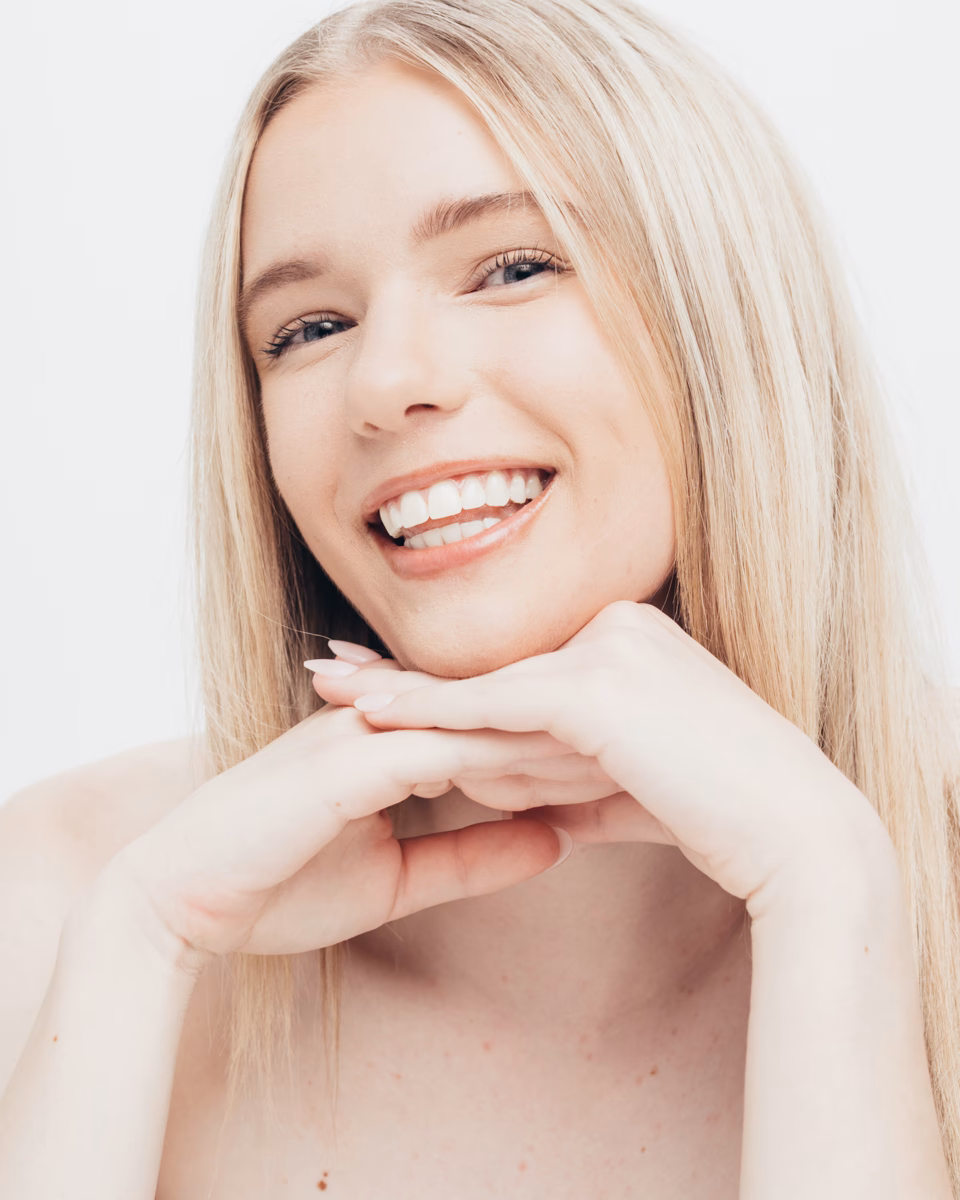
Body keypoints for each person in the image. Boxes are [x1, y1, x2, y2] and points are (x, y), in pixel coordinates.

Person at [1, 0, 958, 1195]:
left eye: (512, 268)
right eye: (308, 328)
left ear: (722, 317)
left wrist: (828, 886)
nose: (385, 381)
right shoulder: (78, 890)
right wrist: (141, 943)